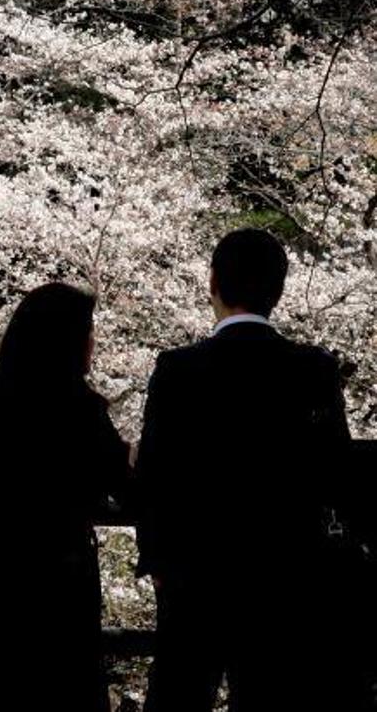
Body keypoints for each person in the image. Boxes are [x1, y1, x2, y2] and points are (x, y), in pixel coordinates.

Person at [137, 229, 358, 712]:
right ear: (278, 291)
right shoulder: (313, 368)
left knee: (178, 694)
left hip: (193, 572)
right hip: (283, 573)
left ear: (211, 280)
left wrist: (156, 558)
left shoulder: (178, 369)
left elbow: (153, 473)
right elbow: (337, 468)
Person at [0, 282, 131, 712]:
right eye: (88, 331)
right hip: (56, 587)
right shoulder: (81, 410)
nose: (93, 341)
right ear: (71, 342)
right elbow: (127, 489)